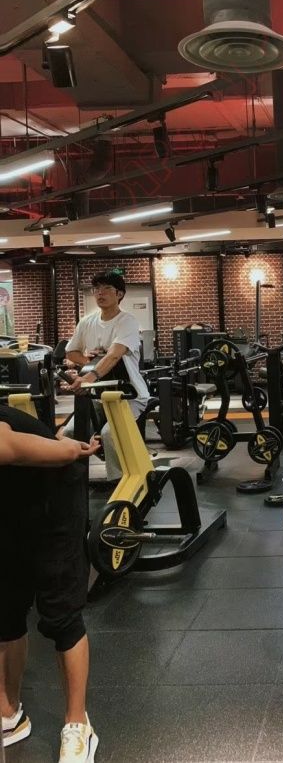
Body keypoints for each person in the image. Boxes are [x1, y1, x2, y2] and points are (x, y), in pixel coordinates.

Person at [0, 404, 101, 762]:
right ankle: (9, 714)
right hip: (9, 504)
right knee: (5, 610)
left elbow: (10, 447)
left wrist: (72, 448)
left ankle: (78, 724)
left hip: (53, 496)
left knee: (60, 613)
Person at [61, 271, 150, 487]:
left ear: (119, 294)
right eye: (97, 289)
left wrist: (89, 376)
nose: (100, 293)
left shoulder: (127, 321)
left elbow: (115, 355)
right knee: (71, 431)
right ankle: (73, 485)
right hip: (98, 396)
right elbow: (71, 352)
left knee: (111, 433)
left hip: (129, 396)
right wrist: (88, 360)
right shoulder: (87, 322)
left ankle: (121, 486)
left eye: (107, 288)